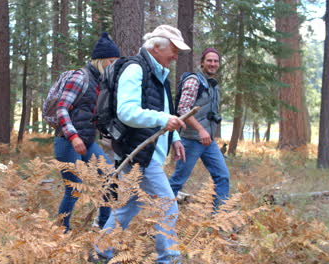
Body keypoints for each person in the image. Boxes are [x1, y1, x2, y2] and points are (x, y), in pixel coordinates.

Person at [92, 25, 190, 264]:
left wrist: (174, 138)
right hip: (139, 153)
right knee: (167, 207)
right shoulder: (136, 69)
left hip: (150, 151)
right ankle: (168, 260)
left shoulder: (159, 74)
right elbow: (127, 112)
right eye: (174, 50)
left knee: (128, 207)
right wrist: (163, 120)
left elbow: (165, 111)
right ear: (156, 48)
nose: (176, 57)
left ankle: (100, 252)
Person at [54, 32, 120, 232]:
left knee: (110, 179)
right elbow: (61, 108)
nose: (114, 65)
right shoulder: (79, 77)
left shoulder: (102, 82)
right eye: (111, 61)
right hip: (67, 141)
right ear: (101, 60)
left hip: (89, 141)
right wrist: (73, 137)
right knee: (73, 188)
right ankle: (61, 232)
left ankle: (100, 227)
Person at [169, 47, 230, 207]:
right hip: (190, 140)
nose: (213, 64)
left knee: (222, 176)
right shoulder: (194, 81)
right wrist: (200, 129)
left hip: (208, 141)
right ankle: (159, 216)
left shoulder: (212, 84)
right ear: (202, 62)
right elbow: (183, 109)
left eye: (216, 61)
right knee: (178, 181)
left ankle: (220, 220)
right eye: (209, 60)